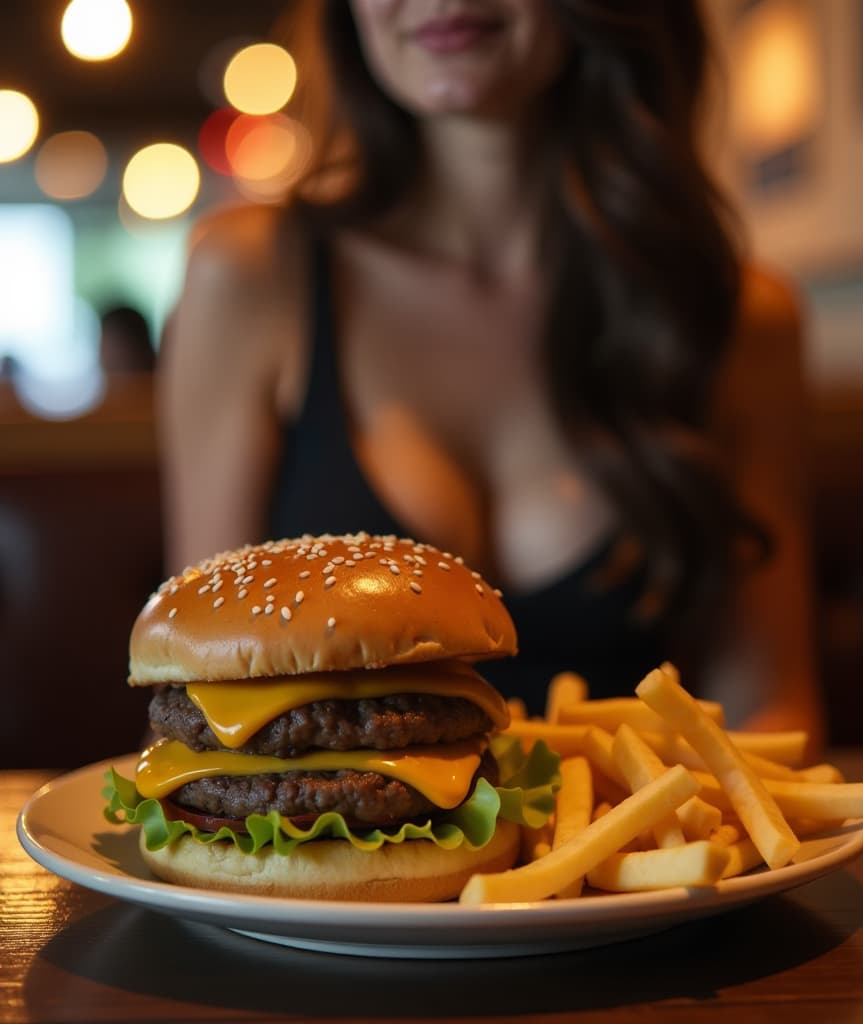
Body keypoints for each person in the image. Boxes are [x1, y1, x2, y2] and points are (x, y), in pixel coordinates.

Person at [159, 0, 825, 743]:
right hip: (330, 831)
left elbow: (772, 707)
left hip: (620, 847)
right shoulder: (248, 275)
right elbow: (202, 685)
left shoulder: (742, 318)